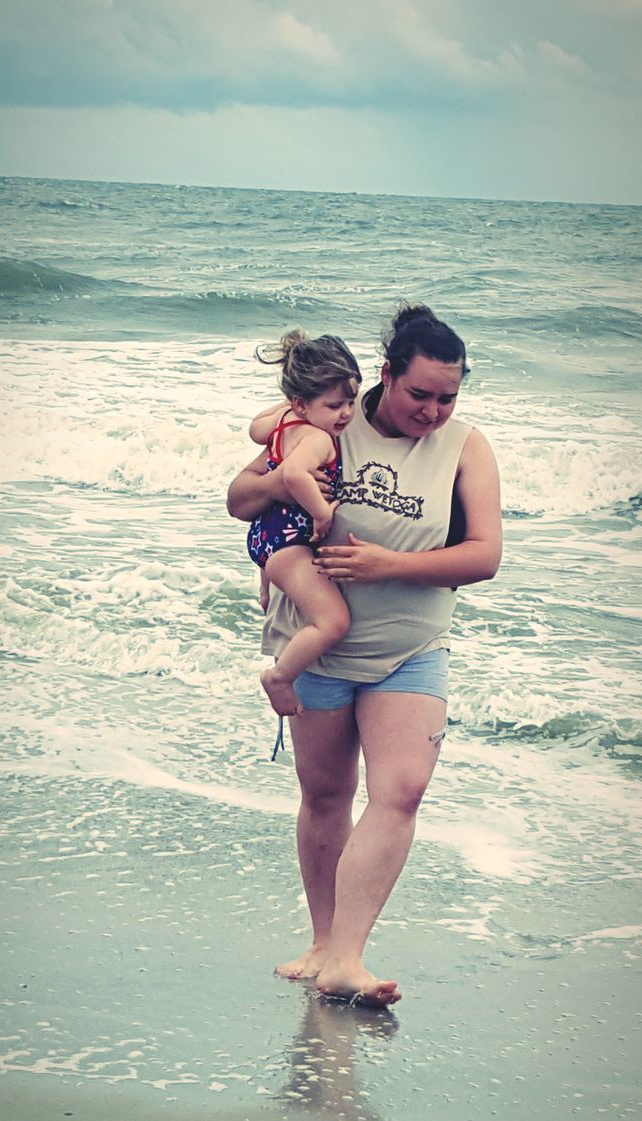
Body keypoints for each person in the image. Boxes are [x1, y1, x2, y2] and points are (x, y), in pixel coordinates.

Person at [227, 304, 502, 1007]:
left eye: (448, 398)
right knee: (324, 795)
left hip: (411, 650)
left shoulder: (466, 447)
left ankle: (348, 956)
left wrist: (387, 565)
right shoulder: (333, 423)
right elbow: (239, 499)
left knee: (401, 790)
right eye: (420, 395)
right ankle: (322, 942)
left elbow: (484, 556)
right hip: (317, 646)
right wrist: (281, 478)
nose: (434, 411)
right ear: (387, 377)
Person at [246, 330, 361, 717]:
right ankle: (279, 677)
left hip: (270, 536)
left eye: (351, 401)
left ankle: (266, 584)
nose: (346, 413)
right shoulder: (318, 437)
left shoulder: (283, 421)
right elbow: (294, 475)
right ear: (303, 402)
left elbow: (255, 429)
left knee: (289, 590)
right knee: (333, 622)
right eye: (333, 405)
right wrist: (322, 511)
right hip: (288, 541)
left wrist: (296, 407)